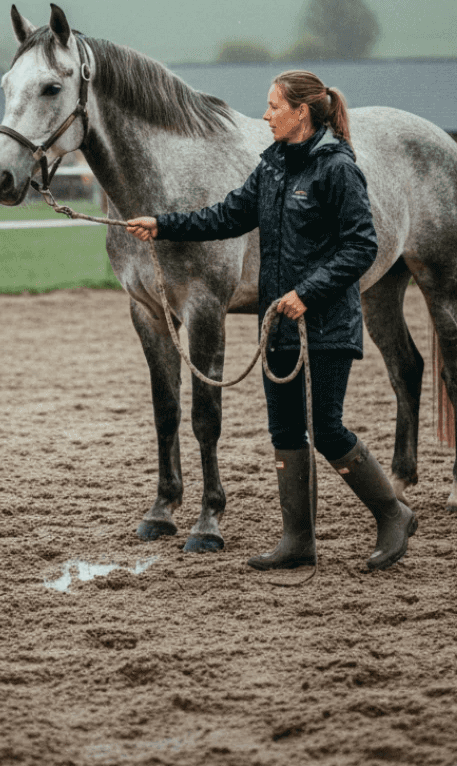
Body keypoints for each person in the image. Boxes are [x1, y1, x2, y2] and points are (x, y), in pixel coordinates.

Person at [126, 70, 417, 574]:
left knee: (326, 429)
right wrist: (163, 225)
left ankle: (393, 514)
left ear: (301, 112)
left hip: (325, 324)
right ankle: (297, 540)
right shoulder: (273, 166)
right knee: (284, 429)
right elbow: (226, 216)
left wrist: (308, 293)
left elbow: (361, 246)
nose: (265, 116)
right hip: (278, 325)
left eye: (274, 106)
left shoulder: (337, 169)